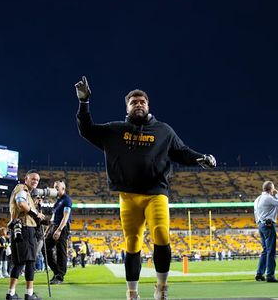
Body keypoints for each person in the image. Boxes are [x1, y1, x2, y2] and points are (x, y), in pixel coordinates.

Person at [74, 76, 216, 300]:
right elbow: (87, 130)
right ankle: (132, 292)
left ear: (148, 106)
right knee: (132, 242)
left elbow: (183, 151)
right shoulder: (115, 129)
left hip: (155, 193)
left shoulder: (164, 130)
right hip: (128, 196)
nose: (138, 104)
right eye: (133, 102)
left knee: (161, 234)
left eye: (142, 101)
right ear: (127, 108)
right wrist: (84, 102)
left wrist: (200, 158)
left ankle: (161, 287)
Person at [6, 170, 45, 300]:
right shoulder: (22, 188)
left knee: (19, 263)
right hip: (26, 229)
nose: (35, 181)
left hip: (17, 228)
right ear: (26, 178)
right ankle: (29, 294)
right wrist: (36, 214)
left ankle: (11, 294)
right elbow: (21, 203)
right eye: (33, 179)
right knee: (30, 262)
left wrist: (34, 204)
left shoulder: (23, 191)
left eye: (37, 180)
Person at [254, 181, 278, 283]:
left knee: (265, 251)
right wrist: (277, 194)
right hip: (268, 225)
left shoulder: (258, 198)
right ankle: (270, 275)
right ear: (271, 189)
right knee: (270, 251)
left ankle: (259, 274)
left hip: (260, 224)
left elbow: (255, 212)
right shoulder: (268, 198)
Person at [45, 180, 72, 284]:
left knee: (61, 252)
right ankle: (57, 272)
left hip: (62, 227)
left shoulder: (67, 200)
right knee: (45, 249)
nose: (55, 189)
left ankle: (60, 277)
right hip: (54, 227)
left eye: (57, 187)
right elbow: (52, 219)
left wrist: (59, 230)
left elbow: (65, 217)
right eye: (54, 187)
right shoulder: (57, 202)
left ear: (63, 189)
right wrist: (47, 231)